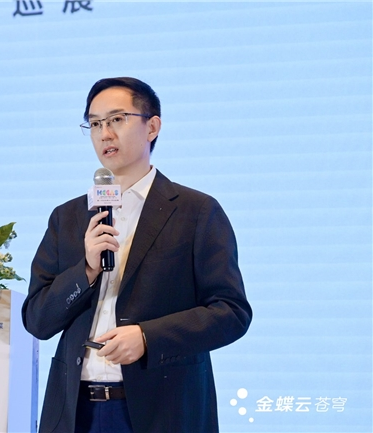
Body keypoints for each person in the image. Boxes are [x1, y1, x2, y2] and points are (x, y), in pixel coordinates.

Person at [21, 77, 252, 433]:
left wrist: (147, 337)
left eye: (117, 119)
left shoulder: (195, 211)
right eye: (95, 124)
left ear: (152, 127)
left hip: (162, 412)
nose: (104, 134)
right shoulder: (67, 217)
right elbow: (37, 320)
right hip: (75, 412)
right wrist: (86, 271)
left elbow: (231, 312)